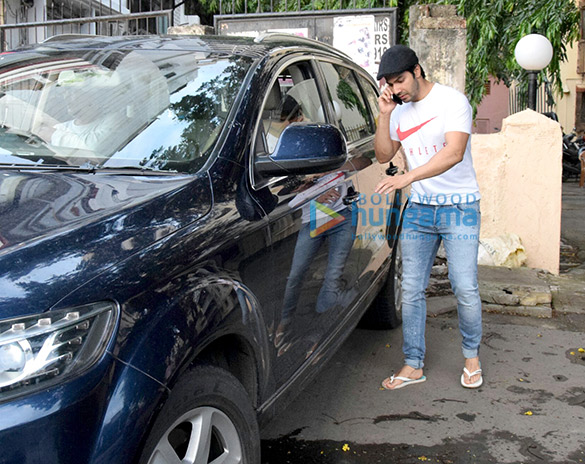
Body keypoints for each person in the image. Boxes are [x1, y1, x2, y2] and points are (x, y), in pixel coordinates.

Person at [374, 45, 483, 390]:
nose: (397, 89)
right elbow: (383, 154)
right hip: (420, 210)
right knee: (411, 288)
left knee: (464, 287)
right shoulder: (399, 110)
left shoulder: (452, 102)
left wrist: (407, 178)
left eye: (400, 81)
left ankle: (471, 357)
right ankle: (413, 364)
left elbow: (454, 152)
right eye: (390, 84)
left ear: (417, 71)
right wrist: (385, 113)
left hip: (460, 206)